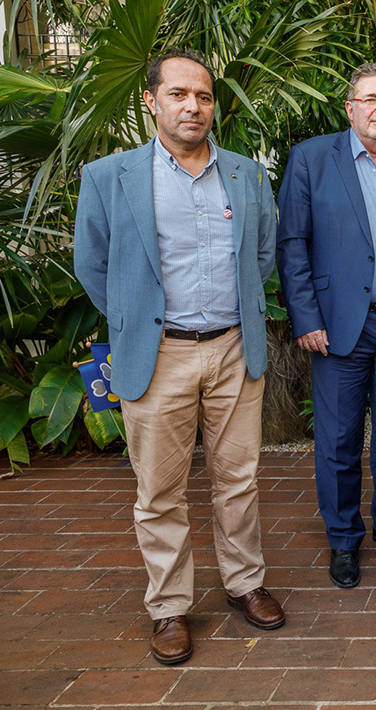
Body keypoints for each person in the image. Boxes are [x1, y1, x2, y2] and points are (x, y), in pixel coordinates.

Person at [74, 49, 283, 666]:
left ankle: (245, 582)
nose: (194, 106)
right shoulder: (110, 176)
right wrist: (134, 317)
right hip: (157, 355)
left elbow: (262, 256)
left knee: (237, 479)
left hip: (232, 349)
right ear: (152, 100)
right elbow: (94, 265)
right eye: (179, 94)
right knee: (159, 489)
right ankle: (169, 605)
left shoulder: (245, 175)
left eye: (205, 96)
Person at [276, 63, 376, 590]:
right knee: (339, 440)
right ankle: (344, 540)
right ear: (350, 108)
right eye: (370, 100)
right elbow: (292, 245)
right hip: (339, 330)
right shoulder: (311, 160)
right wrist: (306, 317)